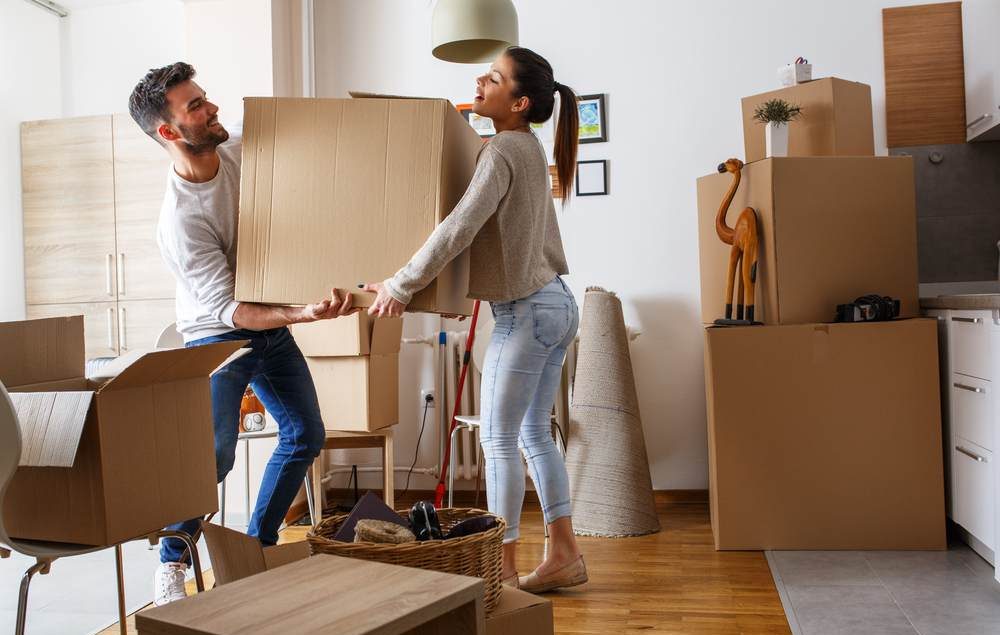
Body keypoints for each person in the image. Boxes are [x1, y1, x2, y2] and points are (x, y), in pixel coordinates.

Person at [128, 62, 354, 606]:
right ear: (169, 132)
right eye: (196, 107)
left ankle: (256, 549)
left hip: (269, 326)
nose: (212, 109)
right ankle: (172, 562)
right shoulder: (181, 221)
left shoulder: (238, 150)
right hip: (217, 337)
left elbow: (303, 144)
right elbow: (231, 310)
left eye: (206, 98)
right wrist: (301, 314)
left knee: (305, 434)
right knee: (214, 457)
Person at [364, 47, 586, 593]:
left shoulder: (503, 150)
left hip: (528, 312)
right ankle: (565, 556)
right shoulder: (526, 147)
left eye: (494, 78)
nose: (480, 81)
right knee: (534, 433)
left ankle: (503, 573)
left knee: (499, 441)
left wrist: (401, 284)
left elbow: (458, 227)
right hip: (556, 303)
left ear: (521, 101)